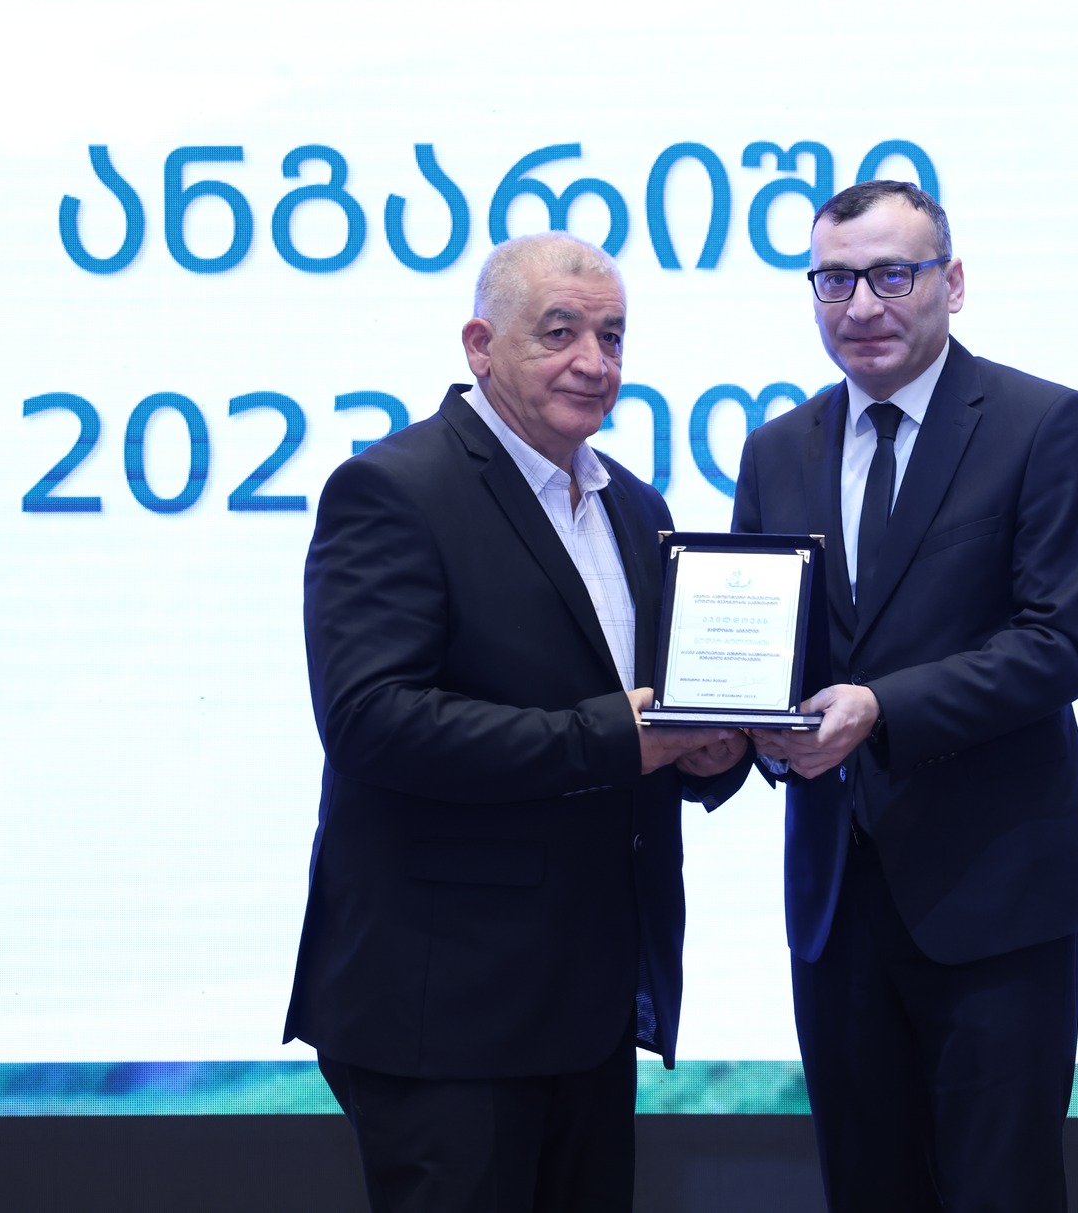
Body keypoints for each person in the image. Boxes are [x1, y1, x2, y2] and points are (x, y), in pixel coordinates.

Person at [285, 232, 746, 1213]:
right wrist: (617, 736)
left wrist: (707, 751)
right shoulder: (394, 489)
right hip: (444, 1009)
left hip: (588, 1002)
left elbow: (647, 717)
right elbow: (371, 720)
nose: (593, 361)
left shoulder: (635, 508)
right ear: (479, 345)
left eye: (612, 337)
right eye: (559, 332)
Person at [736, 181, 1078, 1212]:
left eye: (891, 276)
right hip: (835, 903)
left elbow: (1056, 644)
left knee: (999, 1190)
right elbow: (764, 654)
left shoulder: (1039, 424)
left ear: (952, 283)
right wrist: (738, 730)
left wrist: (880, 708)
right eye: (834, 280)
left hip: (994, 899)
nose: (861, 305)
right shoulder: (777, 449)